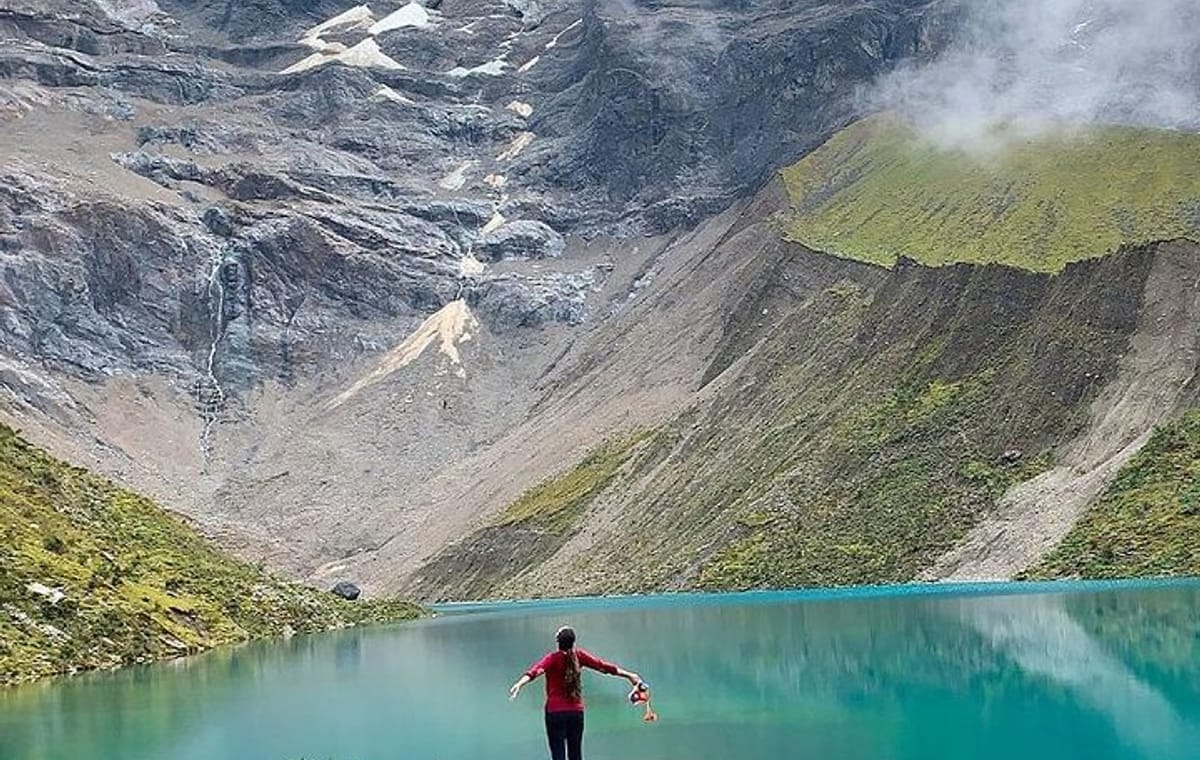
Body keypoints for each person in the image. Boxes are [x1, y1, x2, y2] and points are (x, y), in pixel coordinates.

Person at [509, 625, 643, 760]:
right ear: (573, 642)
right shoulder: (579, 656)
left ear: (558, 642)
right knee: (576, 754)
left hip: (555, 713)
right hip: (576, 713)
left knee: (558, 754)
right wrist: (629, 675)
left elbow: (536, 671)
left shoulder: (552, 658)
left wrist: (520, 684)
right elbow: (602, 667)